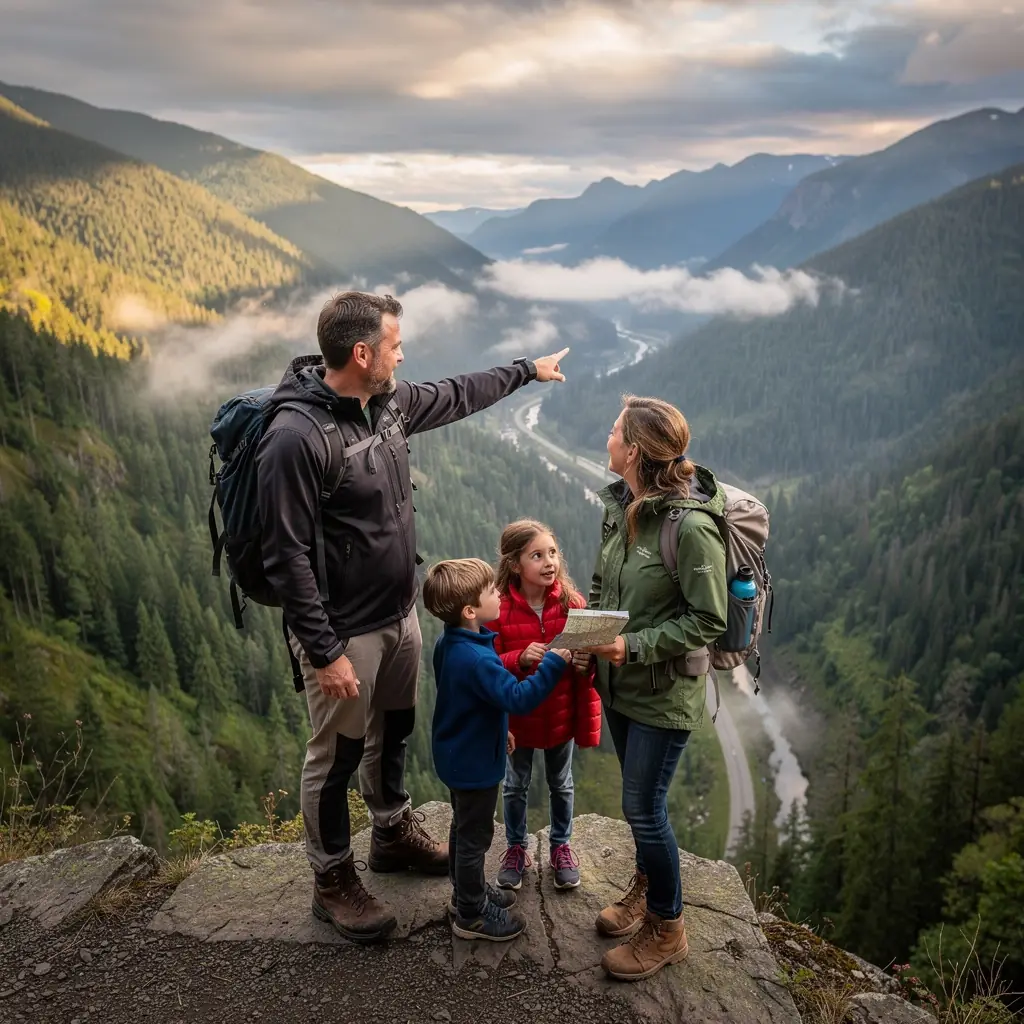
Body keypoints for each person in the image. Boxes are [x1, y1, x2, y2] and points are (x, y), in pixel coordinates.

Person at [255, 290, 570, 943]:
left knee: (391, 732)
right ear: (363, 352)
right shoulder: (295, 438)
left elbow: (456, 392)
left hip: (398, 615)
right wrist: (323, 649)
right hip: (342, 631)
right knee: (334, 754)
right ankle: (332, 879)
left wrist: (525, 370)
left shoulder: (386, 405)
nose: (405, 355)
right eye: (395, 346)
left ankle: (391, 832)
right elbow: (284, 556)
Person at [583, 395, 727, 982]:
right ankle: (645, 892)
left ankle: (668, 928)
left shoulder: (689, 528)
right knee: (639, 804)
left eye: (615, 429)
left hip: (663, 694)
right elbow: (603, 581)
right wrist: (586, 639)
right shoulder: (623, 505)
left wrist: (634, 646)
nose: (608, 434)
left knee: (643, 808)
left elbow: (708, 618)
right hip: (620, 685)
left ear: (635, 450)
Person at [423, 558, 571, 941]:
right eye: (491, 591)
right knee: (475, 839)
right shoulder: (476, 658)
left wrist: (498, 728)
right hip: (475, 764)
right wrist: (553, 664)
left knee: (462, 829)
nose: (499, 595)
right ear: (471, 611)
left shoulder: (452, 643)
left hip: (459, 753)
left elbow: (474, 701)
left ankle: (464, 893)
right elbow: (518, 698)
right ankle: (471, 915)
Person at [487, 520, 601, 892]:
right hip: (518, 719)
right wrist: (517, 658)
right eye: (537, 555)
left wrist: (587, 663)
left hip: (560, 716)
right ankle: (516, 849)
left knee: (561, 784)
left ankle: (561, 847)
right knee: (516, 784)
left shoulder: (573, 604)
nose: (549, 562)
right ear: (515, 565)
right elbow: (487, 665)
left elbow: (589, 662)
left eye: (552, 553)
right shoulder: (498, 610)